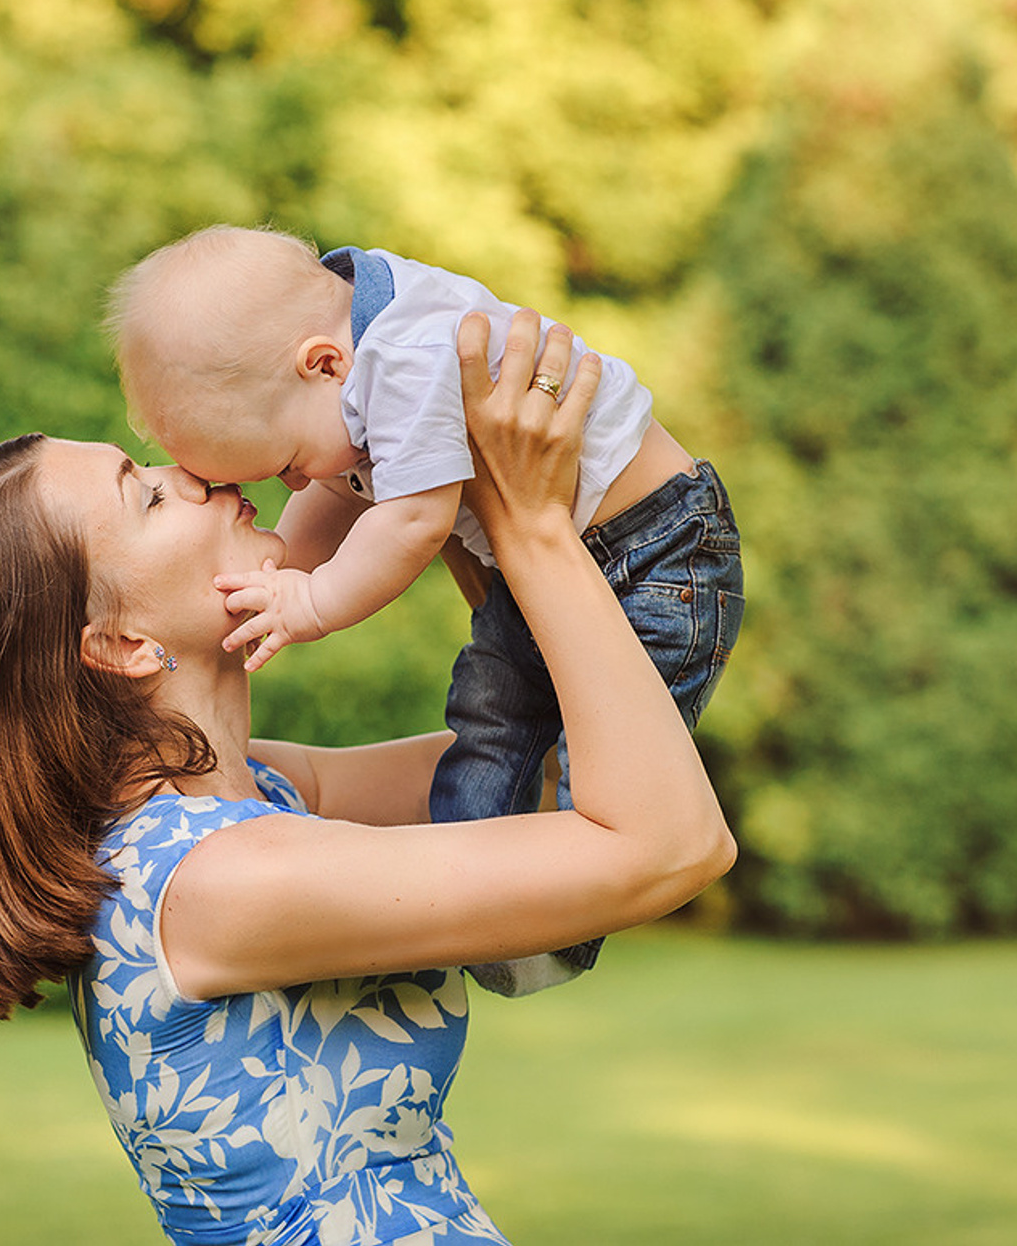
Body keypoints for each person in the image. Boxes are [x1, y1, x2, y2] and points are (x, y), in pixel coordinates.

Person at [0, 312, 735, 1245]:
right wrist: (530, 525)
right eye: (148, 497)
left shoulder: (259, 797)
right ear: (122, 644)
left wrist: (450, 487)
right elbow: (668, 844)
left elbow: (544, 770)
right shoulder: (217, 885)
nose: (194, 473)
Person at [109, 225, 745, 994]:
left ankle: (561, 927)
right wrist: (277, 575)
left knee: (589, 768)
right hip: (568, 550)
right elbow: (341, 492)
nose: (291, 484)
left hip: (656, 549)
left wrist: (310, 600)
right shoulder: (352, 340)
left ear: (324, 364)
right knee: (491, 720)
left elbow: (412, 522)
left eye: (286, 464)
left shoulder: (405, 357)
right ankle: (533, 916)